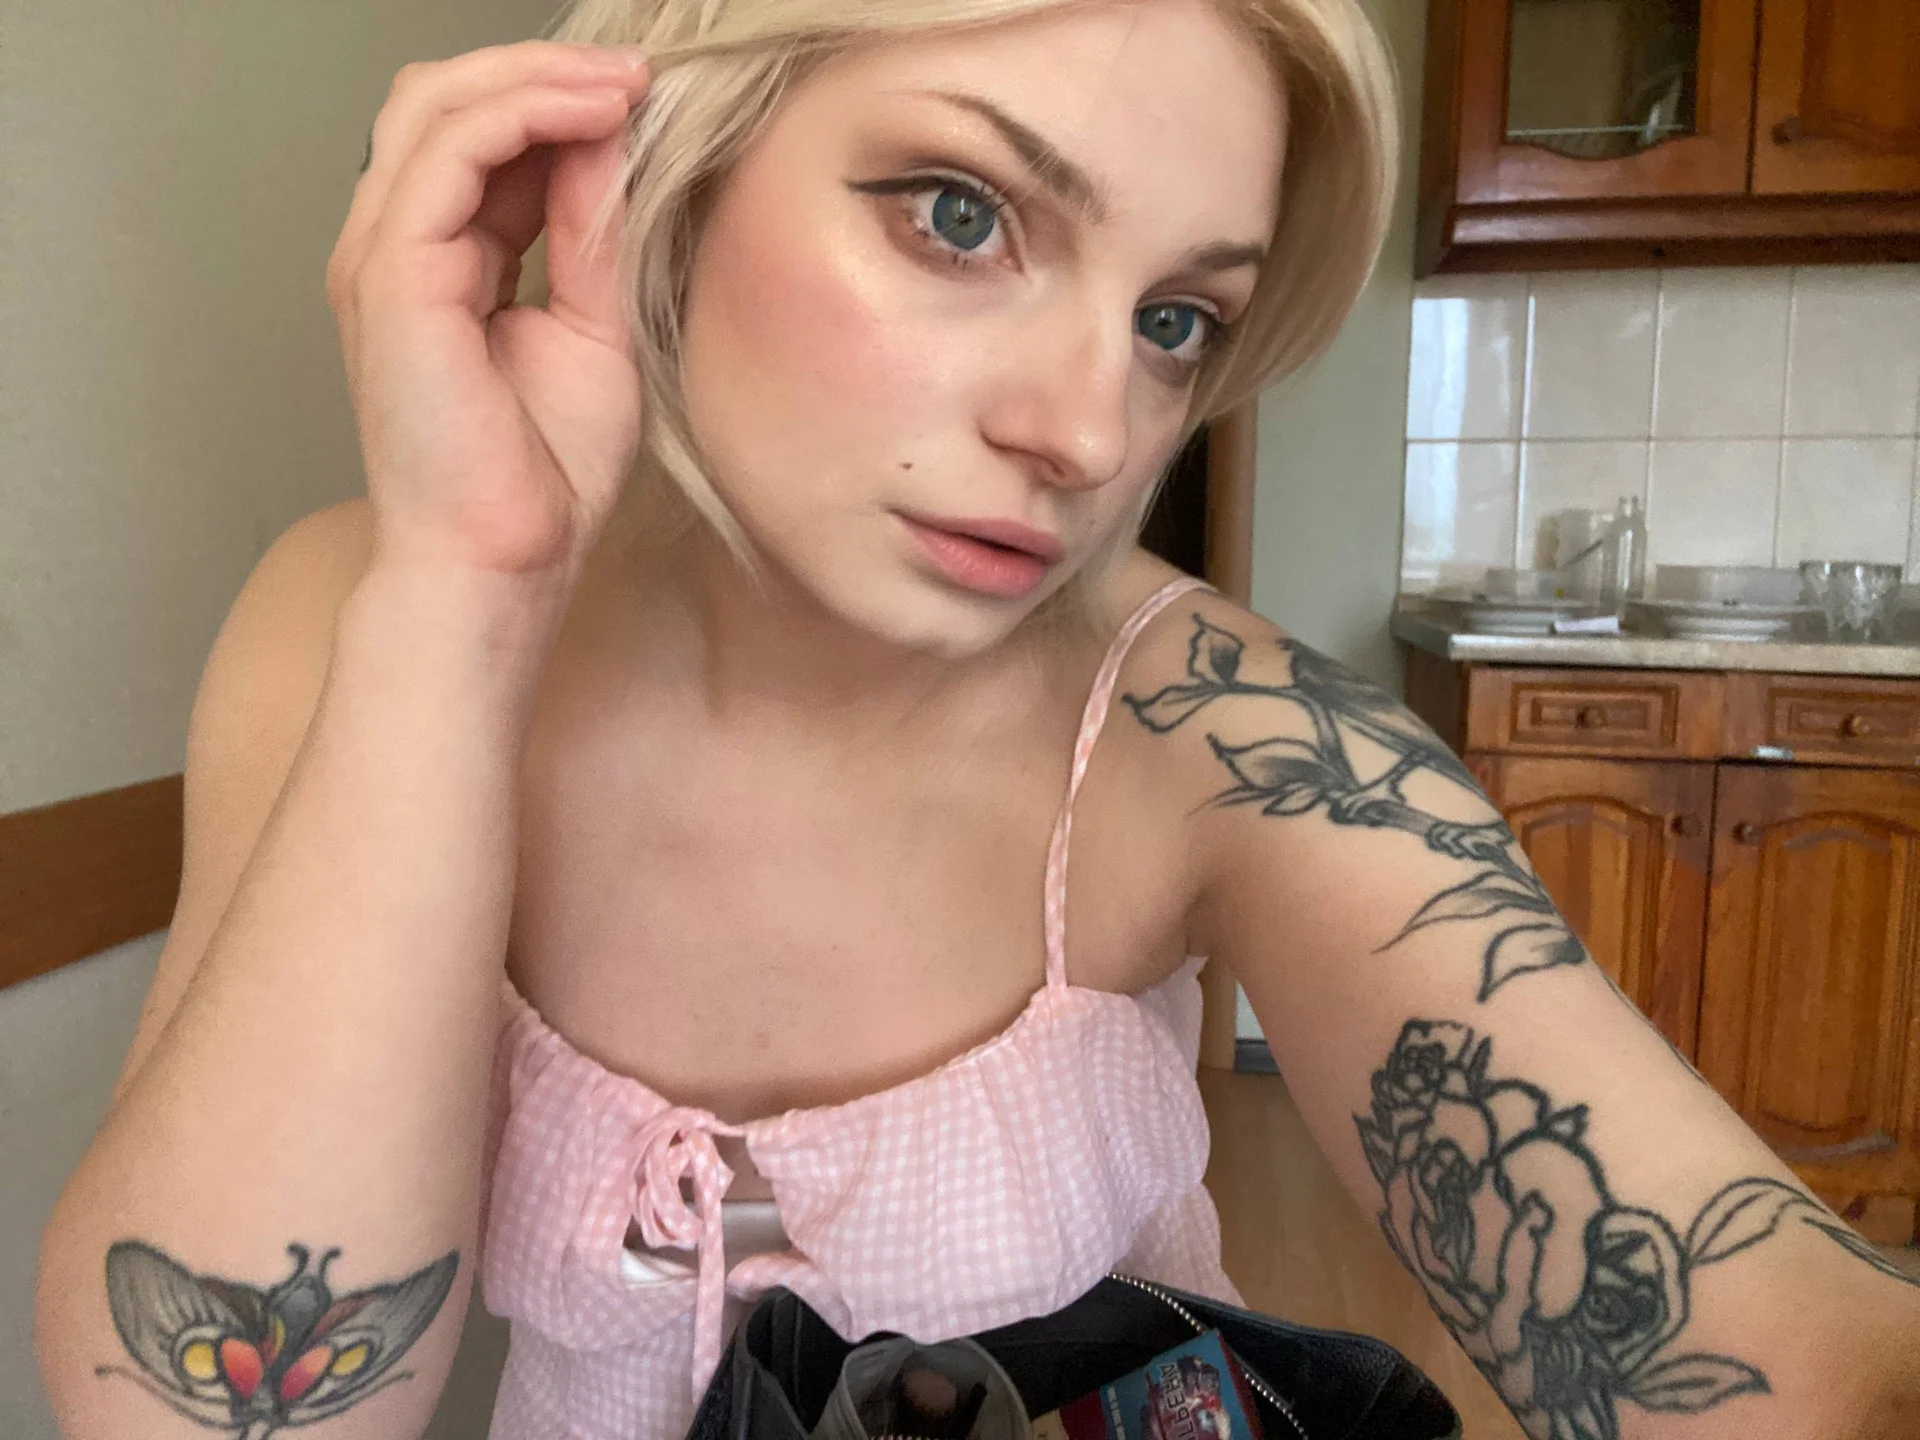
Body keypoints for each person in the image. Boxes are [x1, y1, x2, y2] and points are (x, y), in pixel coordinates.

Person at [33, 1, 1920, 1437]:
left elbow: (1807, 1362)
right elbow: (199, 1412)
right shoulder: (361, 620)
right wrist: (465, 600)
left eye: (1175, 320)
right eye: (963, 215)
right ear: (661, 162)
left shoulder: (1221, 740)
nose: (1090, 433)